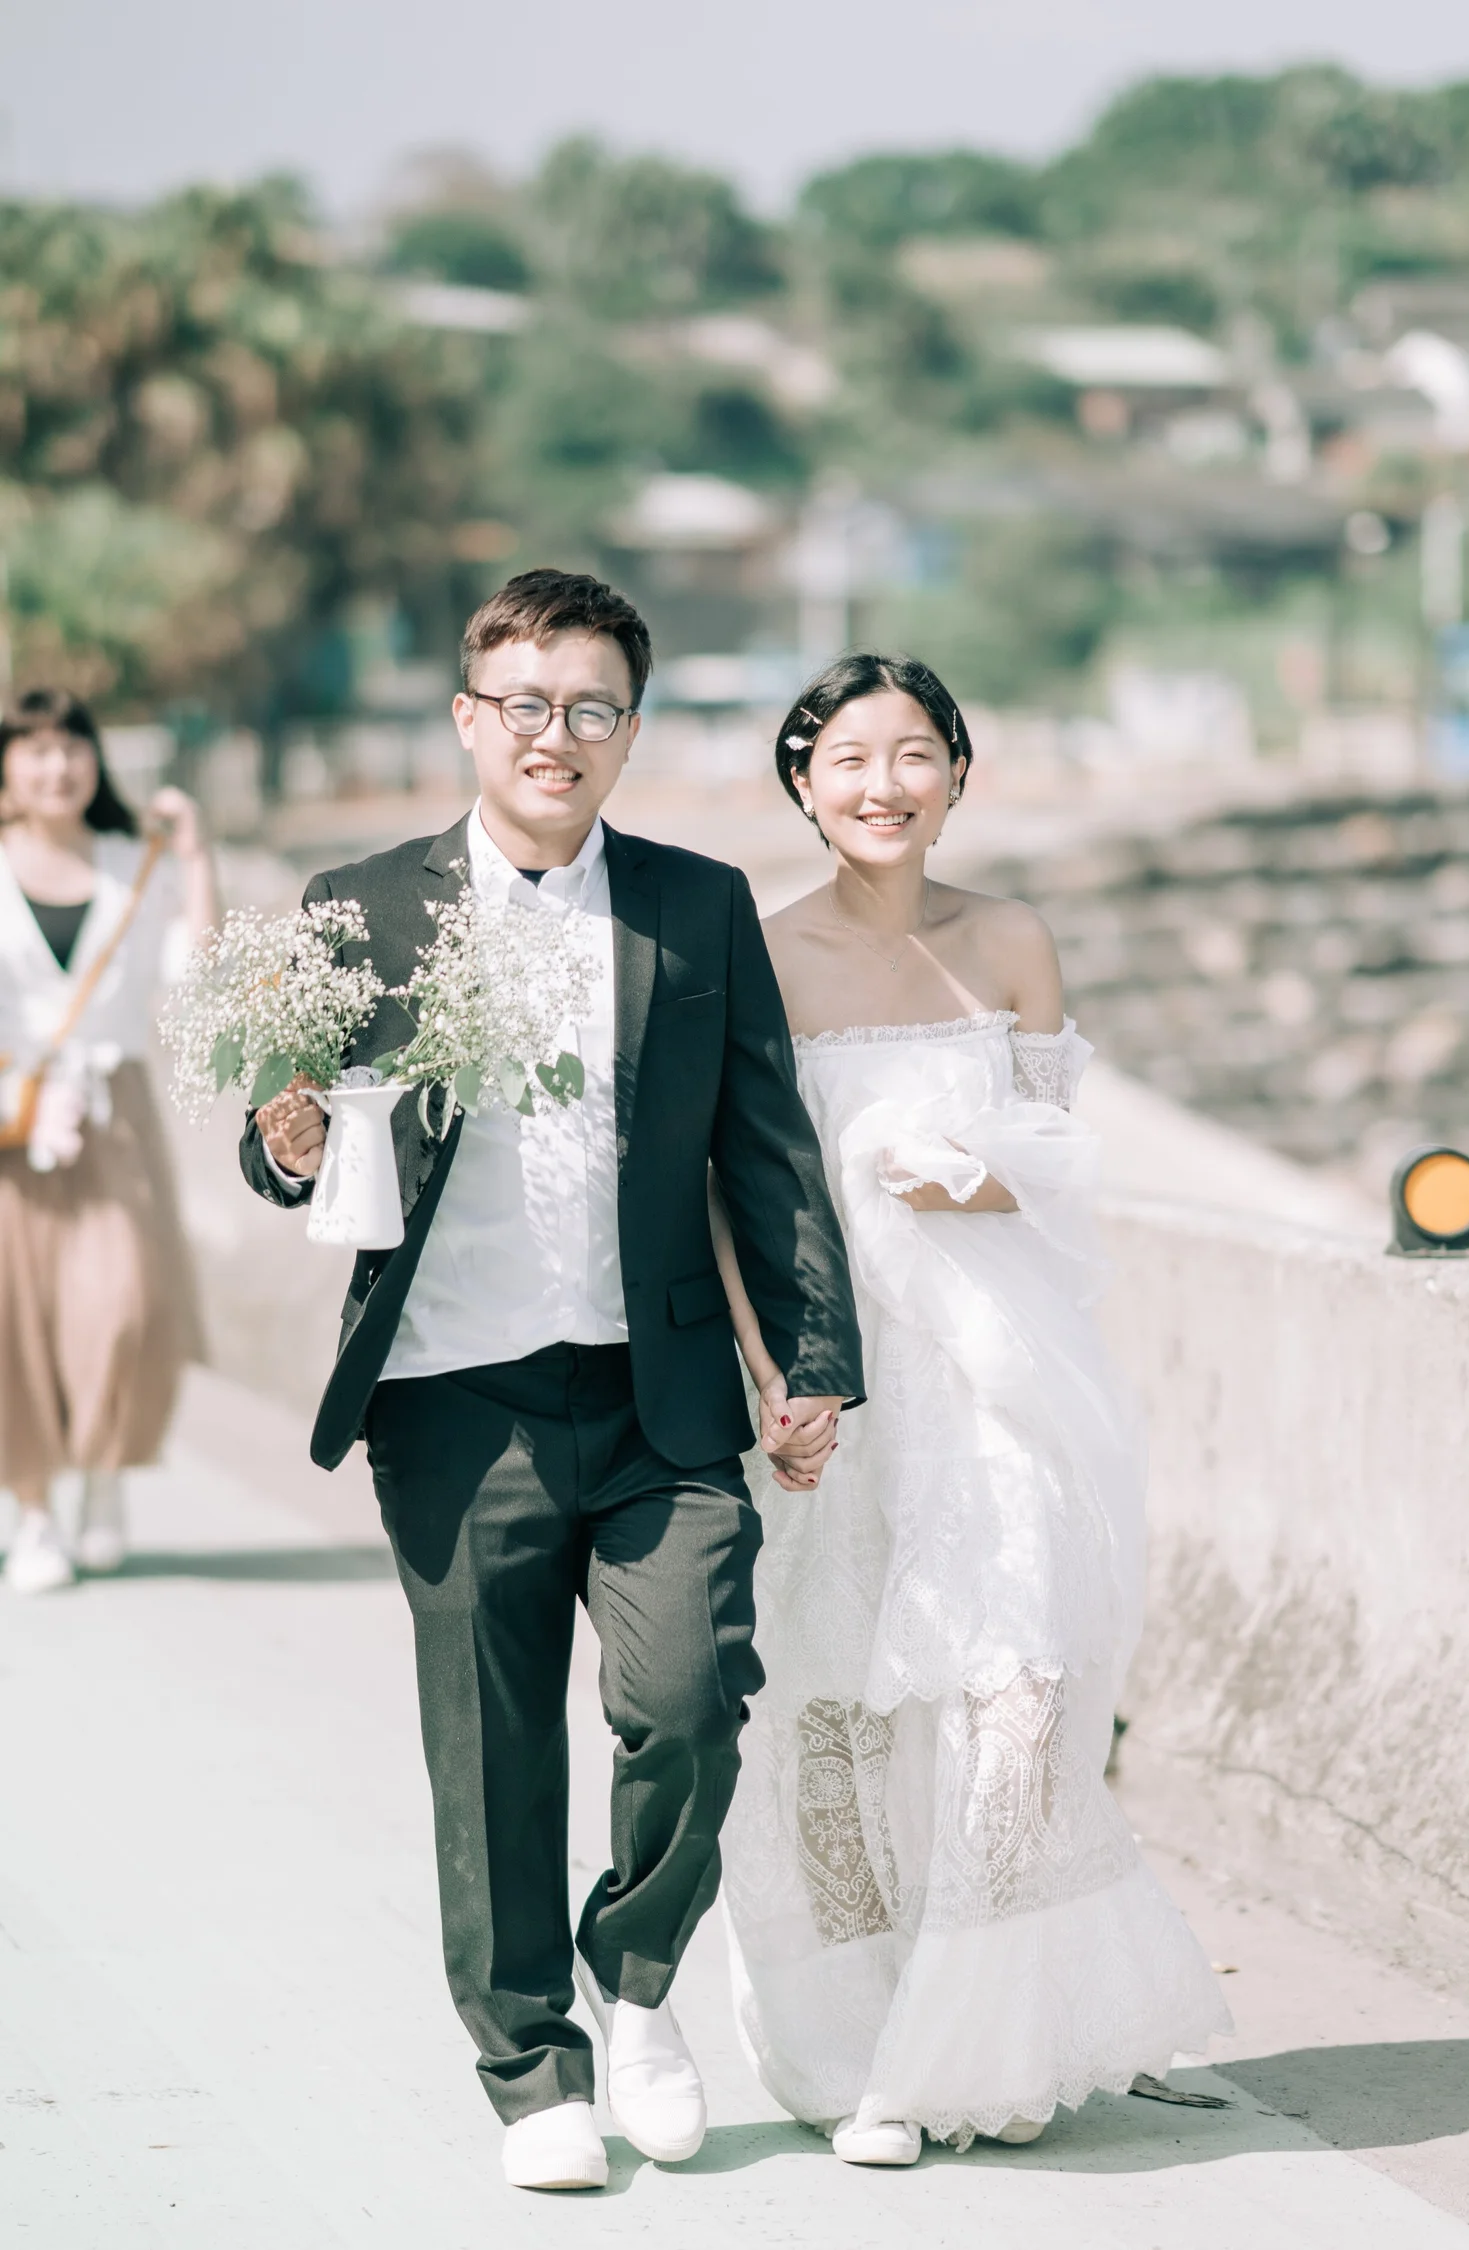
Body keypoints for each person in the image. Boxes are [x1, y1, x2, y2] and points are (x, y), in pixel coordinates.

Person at [241, 570, 863, 2193]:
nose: (556, 735)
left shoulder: (695, 902)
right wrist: (286, 1141)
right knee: (493, 1746)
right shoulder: (358, 906)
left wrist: (812, 1360)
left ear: (629, 731)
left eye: (591, 707)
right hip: (452, 1395)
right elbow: (282, 1133)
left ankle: (636, 1979)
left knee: (691, 1702)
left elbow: (765, 1147)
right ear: (470, 718)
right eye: (526, 703)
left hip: (661, 1394)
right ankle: (531, 2065)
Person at [713, 653, 1231, 2164]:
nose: (883, 784)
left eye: (914, 754)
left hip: (1006, 1379)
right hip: (838, 1385)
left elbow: (1058, 1166)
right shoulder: (761, 956)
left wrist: (963, 1172)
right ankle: (855, 2040)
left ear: (958, 775)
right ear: (803, 782)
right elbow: (726, 1192)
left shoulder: (1012, 940)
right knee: (832, 1710)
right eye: (849, 757)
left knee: (1017, 1692)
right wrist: (770, 1377)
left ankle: (966, 2049)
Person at [0, 689, 215, 1594]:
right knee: (14, 1324)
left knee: (122, 1307)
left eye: (72, 746)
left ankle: (98, 1471)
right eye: (36, 748)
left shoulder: (138, 861)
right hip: (10, 1116)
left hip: (112, 1110)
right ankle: (34, 1512)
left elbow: (195, 974)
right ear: (7, 767)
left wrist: (196, 857)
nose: (57, 765)